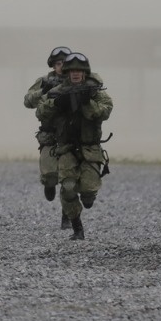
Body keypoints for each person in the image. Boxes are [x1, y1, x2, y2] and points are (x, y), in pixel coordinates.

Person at [36, 52, 113, 240]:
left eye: (79, 70)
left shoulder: (96, 91)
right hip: (66, 148)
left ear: (85, 72)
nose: (76, 74)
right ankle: (77, 227)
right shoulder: (57, 91)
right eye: (72, 71)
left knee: (88, 193)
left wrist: (87, 103)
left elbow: (105, 111)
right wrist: (56, 103)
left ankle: (87, 198)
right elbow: (40, 112)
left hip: (90, 148)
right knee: (68, 187)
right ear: (68, 73)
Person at [24, 46, 71, 227]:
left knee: (69, 181)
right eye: (58, 63)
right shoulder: (44, 81)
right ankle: (49, 185)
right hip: (50, 136)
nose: (62, 67)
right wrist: (44, 91)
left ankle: (67, 215)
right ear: (53, 65)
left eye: (65, 63)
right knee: (50, 175)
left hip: (70, 137)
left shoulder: (77, 80)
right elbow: (27, 101)